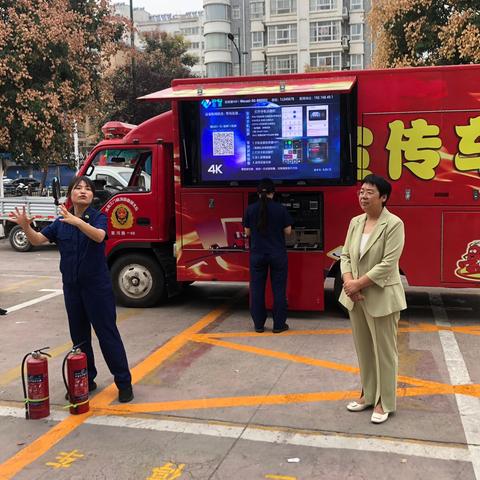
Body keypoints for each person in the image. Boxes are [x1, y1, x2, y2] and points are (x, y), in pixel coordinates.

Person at [9, 176, 134, 403]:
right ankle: (87, 379)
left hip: (97, 288)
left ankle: (124, 383)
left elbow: (99, 236)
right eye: (78, 188)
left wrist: (76, 221)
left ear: (92, 196)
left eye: (88, 189)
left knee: (107, 334)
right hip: (72, 288)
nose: (83, 191)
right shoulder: (59, 223)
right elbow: (37, 240)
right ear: (71, 195)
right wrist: (25, 226)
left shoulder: (99, 217)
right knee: (79, 338)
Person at [339, 174, 406, 424]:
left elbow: (389, 264)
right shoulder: (355, 222)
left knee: (385, 352)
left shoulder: (394, 224)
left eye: (369, 192)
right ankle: (368, 394)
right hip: (355, 297)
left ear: (383, 197)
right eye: (361, 192)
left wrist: (358, 283)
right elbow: (345, 254)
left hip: (381, 296)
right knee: (364, 350)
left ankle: (384, 401)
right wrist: (349, 283)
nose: (363, 197)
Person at [243, 178, 293, 333]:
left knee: (257, 290)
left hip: (257, 255)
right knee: (279, 289)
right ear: (274, 192)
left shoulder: (250, 209)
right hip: (277, 254)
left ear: (258, 193)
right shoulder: (280, 209)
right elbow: (288, 231)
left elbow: (247, 232)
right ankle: (278, 325)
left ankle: (258, 325)